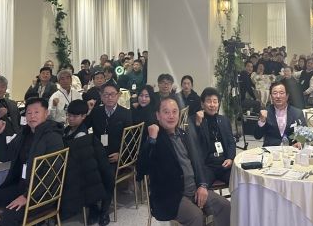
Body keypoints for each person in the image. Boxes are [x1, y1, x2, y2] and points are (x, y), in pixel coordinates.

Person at [140, 96, 231, 226]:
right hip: (171, 197)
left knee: (225, 206)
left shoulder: (183, 134)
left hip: (194, 189)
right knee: (196, 216)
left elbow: (198, 164)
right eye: (166, 112)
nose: (171, 116)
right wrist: (151, 140)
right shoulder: (156, 139)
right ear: (158, 115)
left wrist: (202, 185)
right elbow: (141, 169)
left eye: (174, 111)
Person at [0, 97, 64, 226]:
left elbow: (50, 175)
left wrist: (27, 196)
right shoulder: (24, 133)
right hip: (21, 187)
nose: (32, 116)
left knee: (10, 214)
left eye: (36, 112)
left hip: (42, 194)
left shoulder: (53, 138)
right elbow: (4, 156)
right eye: (29, 113)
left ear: (46, 113)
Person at [60, 100, 113, 225]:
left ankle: (97, 209)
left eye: (74, 116)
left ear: (83, 116)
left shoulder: (82, 135)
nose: (70, 118)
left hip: (85, 169)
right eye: (69, 115)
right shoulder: (68, 130)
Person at [189, 88, 236, 186]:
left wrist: (230, 158)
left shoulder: (224, 120)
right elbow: (193, 144)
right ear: (202, 104)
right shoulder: (194, 120)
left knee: (239, 183)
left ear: (218, 104)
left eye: (215, 101)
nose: (212, 105)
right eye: (209, 101)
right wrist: (198, 124)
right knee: (201, 187)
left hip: (224, 163)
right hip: (206, 165)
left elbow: (231, 142)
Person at [85, 83, 132, 173]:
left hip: (115, 156)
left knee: (104, 173)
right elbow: (85, 126)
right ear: (101, 96)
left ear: (118, 95)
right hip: (98, 153)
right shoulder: (96, 111)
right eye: (106, 95)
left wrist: (121, 154)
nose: (109, 98)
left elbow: (129, 138)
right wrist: (89, 110)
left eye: (113, 94)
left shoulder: (126, 113)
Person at [254, 82, 306, 146]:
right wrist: (262, 121)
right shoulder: (265, 112)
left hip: (291, 149)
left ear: (287, 96)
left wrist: (300, 142)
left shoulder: (297, 113)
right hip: (270, 149)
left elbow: (304, 135)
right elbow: (257, 136)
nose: (278, 96)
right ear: (271, 96)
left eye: (281, 93)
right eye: (275, 93)